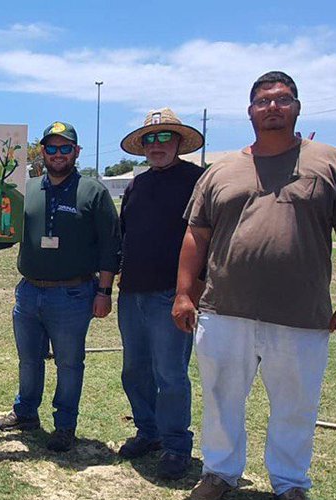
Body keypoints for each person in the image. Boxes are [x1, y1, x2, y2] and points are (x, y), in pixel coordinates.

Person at [173, 71, 336, 500]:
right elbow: (196, 235)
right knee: (222, 397)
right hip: (225, 310)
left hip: (300, 314)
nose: (273, 107)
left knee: (295, 403)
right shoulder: (222, 169)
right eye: (263, 101)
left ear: (297, 108)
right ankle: (219, 473)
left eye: (283, 100)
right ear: (249, 111)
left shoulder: (327, 162)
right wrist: (184, 293)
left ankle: (290, 484)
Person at [0, 121, 119, 452]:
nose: (58, 154)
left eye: (65, 148)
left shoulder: (93, 192)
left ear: (76, 152)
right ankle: (26, 413)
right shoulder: (27, 189)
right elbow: (9, 234)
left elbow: (110, 247)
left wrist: (104, 292)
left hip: (73, 294)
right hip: (28, 292)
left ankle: (65, 425)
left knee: (69, 363)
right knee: (28, 359)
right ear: (42, 152)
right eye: (51, 148)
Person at [113, 108, 206, 480]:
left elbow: (208, 239)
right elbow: (125, 236)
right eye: (150, 139)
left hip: (173, 294)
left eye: (164, 137)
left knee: (170, 374)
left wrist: (192, 291)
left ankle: (175, 444)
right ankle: (147, 432)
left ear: (179, 142)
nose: (157, 145)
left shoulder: (197, 181)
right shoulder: (137, 185)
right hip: (132, 293)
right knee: (135, 371)